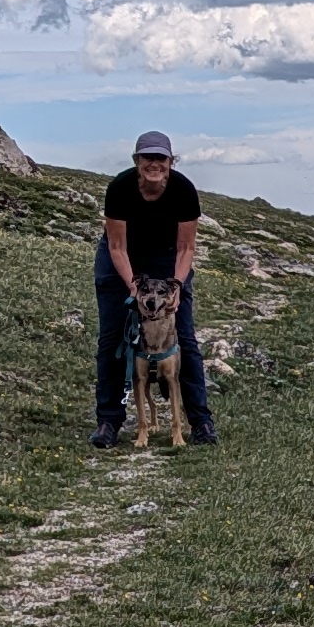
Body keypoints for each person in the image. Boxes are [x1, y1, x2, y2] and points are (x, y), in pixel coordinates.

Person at [94, 128, 214, 446]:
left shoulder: (184, 191)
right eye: (148, 157)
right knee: (113, 338)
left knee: (184, 338)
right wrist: (133, 288)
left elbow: (187, 248)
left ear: (171, 161)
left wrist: (176, 286)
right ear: (137, 160)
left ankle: (200, 422)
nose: (154, 164)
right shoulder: (119, 188)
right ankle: (109, 422)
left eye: (161, 157)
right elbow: (117, 247)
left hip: (166, 259)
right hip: (119, 258)